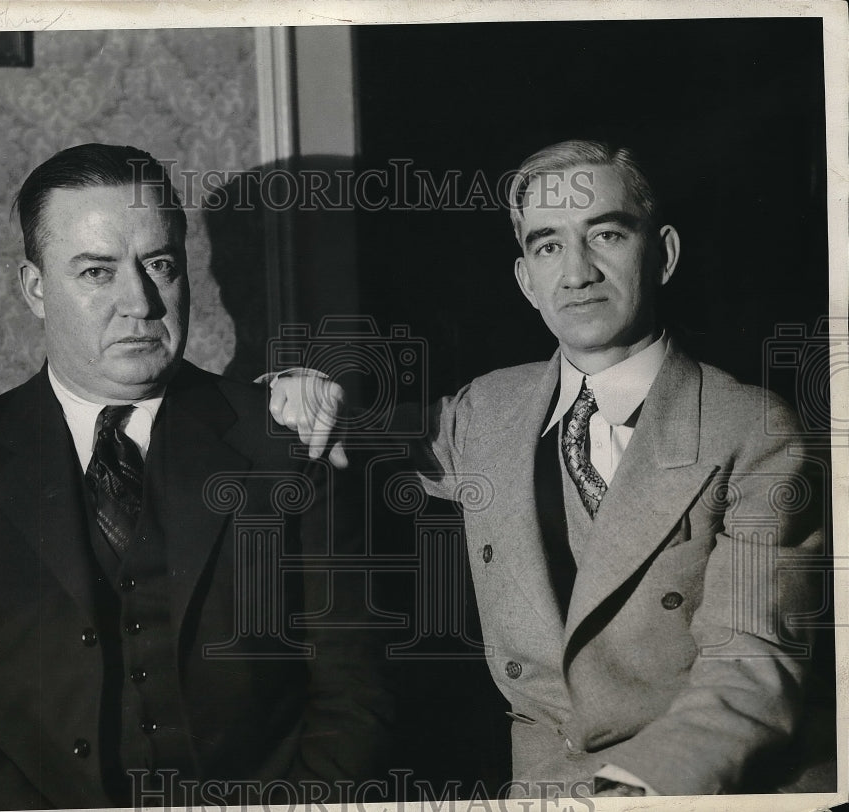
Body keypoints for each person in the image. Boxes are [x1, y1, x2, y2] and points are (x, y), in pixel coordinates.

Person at [269, 140, 823, 796]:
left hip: (697, 784)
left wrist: (631, 790)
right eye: (548, 245)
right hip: (541, 784)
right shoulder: (488, 409)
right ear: (526, 280)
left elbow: (751, 663)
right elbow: (351, 429)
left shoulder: (752, 429)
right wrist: (296, 384)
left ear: (664, 253)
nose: (578, 271)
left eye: (607, 235)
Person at [0, 143, 390, 811]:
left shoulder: (287, 445)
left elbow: (356, 702)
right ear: (35, 289)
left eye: (159, 265)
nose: (140, 302)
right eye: (96, 272)